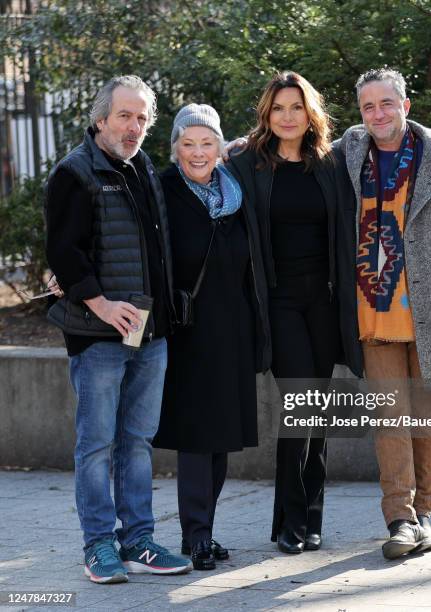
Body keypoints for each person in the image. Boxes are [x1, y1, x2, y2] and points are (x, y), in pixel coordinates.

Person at [45, 75, 192, 583]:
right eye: (125, 116)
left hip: (149, 336)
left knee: (137, 441)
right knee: (96, 445)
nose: (134, 127)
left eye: (143, 119)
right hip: (98, 338)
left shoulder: (143, 166)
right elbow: (63, 253)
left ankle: (139, 542)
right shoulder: (76, 172)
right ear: (101, 119)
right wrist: (102, 305)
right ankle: (99, 547)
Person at [338, 68, 431, 559]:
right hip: (372, 311)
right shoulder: (347, 156)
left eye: (387, 103)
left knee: (426, 417)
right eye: (368, 106)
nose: (378, 114)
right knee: (389, 417)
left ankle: (424, 513)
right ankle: (399, 518)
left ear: (406, 104)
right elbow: (290, 150)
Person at [227, 72, 363, 554]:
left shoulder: (331, 162)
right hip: (278, 300)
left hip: (323, 301)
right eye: (278, 108)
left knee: (318, 411)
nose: (288, 116)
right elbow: (202, 160)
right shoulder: (248, 162)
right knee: (299, 404)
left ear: (311, 114)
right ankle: (288, 520)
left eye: (296, 107)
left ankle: (311, 517)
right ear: (267, 114)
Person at [152, 104, 271, 570]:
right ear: (176, 148)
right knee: (198, 437)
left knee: (220, 436)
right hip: (187, 331)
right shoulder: (162, 190)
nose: (198, 152)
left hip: (234, 328)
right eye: (188, 143)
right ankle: (196, 534)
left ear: (220, 147)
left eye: (207, 143)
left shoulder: (235, 192)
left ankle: (202, 531)